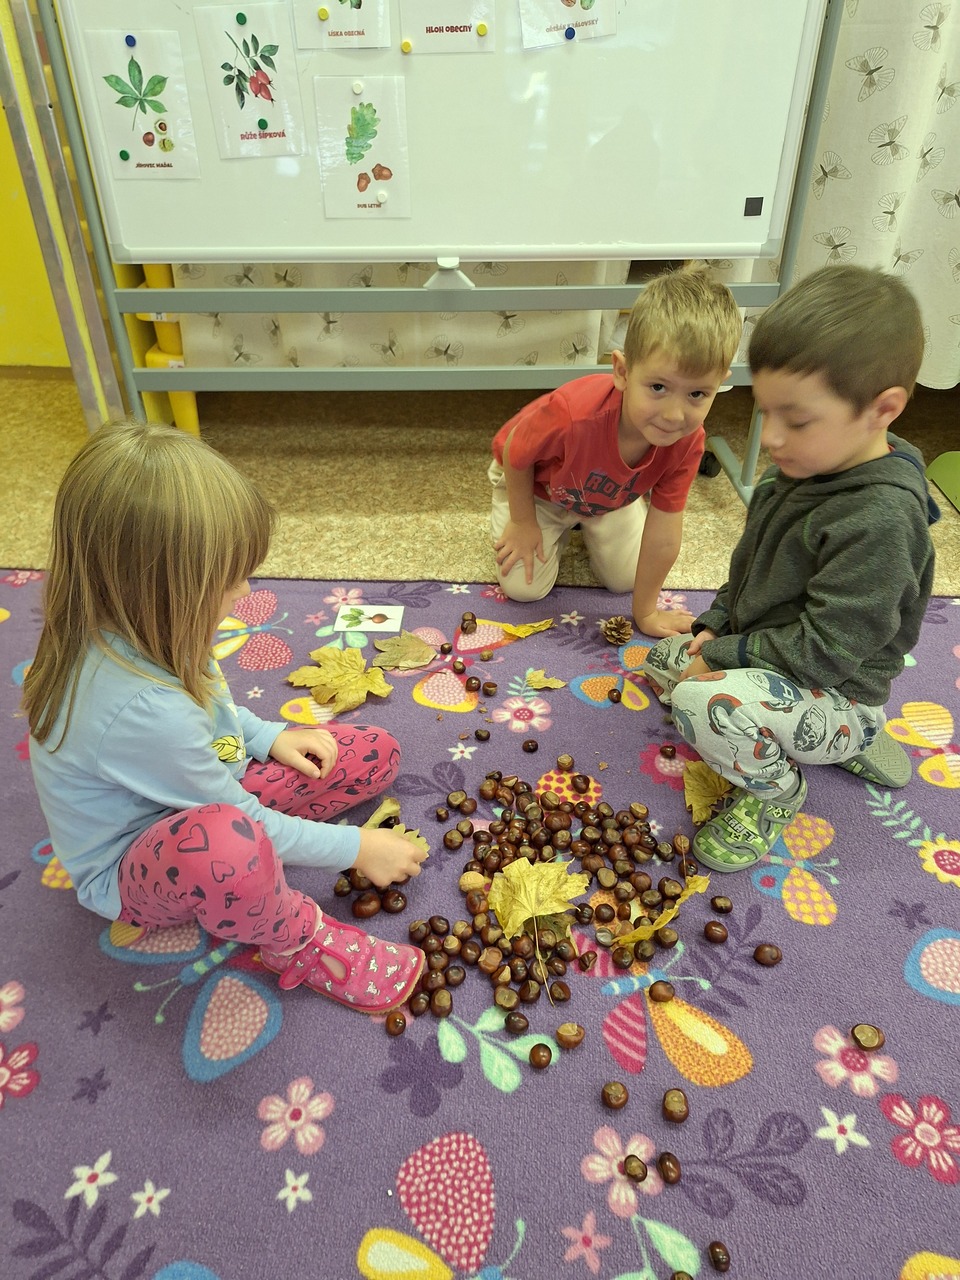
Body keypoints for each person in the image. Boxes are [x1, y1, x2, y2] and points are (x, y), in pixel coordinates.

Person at [23, 421, 426, 1011]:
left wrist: (266, 736)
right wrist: (354, 848)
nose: (245, 589)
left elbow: (212, 713)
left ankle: (265, 845)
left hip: (197, 785)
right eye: (229, 577)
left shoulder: (149, 627)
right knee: (231, 846)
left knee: (371, 753)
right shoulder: (141, 709)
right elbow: (232, 810)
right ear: (159, 588)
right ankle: (297, 942)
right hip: (143, 864)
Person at [641, 264, 939, 873]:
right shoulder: (807, 463)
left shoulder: (880, 522)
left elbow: (828, 651)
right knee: (665, 660)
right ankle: (811, 736)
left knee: (698, 702)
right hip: (780, 652)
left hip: (839, 688)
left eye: (796, 420)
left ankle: (779, 790)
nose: (772, 440)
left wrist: (721, 656)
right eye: (765, 413)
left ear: (883, 410)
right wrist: (717, 622)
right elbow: (752, 567)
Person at [488, 263, 743, 637]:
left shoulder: (688, 441)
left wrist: (646, 612)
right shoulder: (573, 414)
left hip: (608, 497)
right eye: (658, 387)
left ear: (719, 385)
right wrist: (523, 522)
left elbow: (665, 530)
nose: (674, 415)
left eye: (697, 394)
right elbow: (516, 451)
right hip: (538, 486)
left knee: (627, 580)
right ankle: (555, 522)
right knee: (523, 590)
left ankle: (595, 516)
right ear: (622, 372)